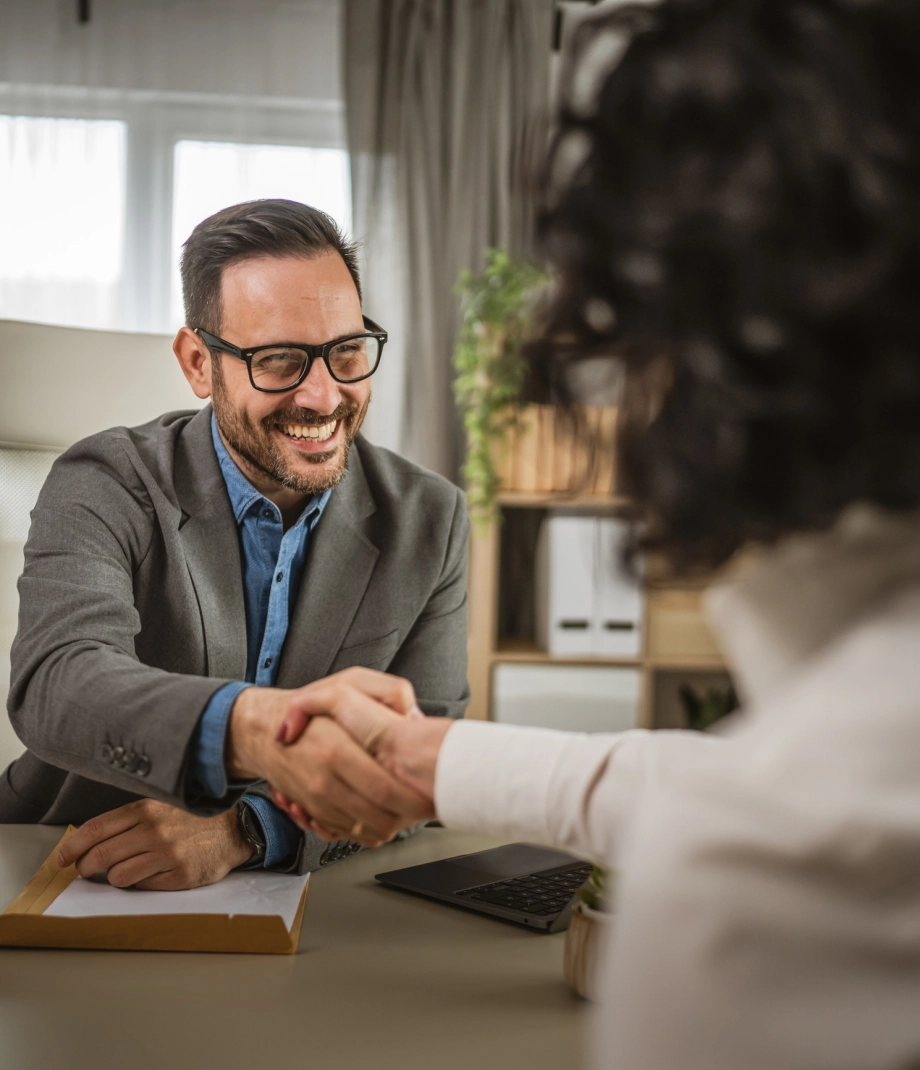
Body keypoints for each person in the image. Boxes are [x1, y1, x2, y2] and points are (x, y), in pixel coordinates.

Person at [269, 2, 920, 1067]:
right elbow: (766, 784)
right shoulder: (817, 785)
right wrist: (434, 757)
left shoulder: (754, 893)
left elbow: (777, 811)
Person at [1, 199, 468, 889]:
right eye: (280, 360)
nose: (323, 396)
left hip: (295, 899)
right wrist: (259, 732)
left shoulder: (430, 519)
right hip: (64, 870)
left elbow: (421, 766)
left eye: (345, 352)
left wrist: (245, 830)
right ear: (198, 363)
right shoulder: (103, 480)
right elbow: (56, 684)